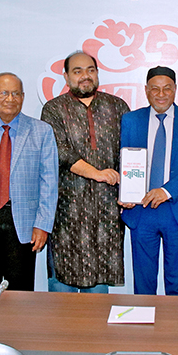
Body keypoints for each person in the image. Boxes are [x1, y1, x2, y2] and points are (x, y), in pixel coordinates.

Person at [40, 51, 129, 293]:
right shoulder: (53, 109)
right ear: (66, 76)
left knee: (98, 298)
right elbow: (62, 152)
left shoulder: (117, 106)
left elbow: (129, 154)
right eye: (77, 71)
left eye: (90, 70)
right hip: (67, 212)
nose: (85, 76)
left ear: (97, 73)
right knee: (62, 297)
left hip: (107, 212)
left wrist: (129, 192)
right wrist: (98, 173)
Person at [119, 66, 178, 296]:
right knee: (144, 281)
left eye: (167, 88)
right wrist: (125, 194)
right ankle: (145, 329)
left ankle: (176, 329)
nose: (161, 94)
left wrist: (166, 191)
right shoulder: (130, 120)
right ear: (146, 91)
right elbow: (121, 160)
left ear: (175, 90)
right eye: (155, 89)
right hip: (141, 210)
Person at [0, 72, 58, 291]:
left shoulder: (42, 131)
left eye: (16, 93)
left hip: (24, 222)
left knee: (21, 291)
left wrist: (43, 224)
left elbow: (49, 182)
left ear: (23, 97)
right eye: (4, 93)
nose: (10, 99)